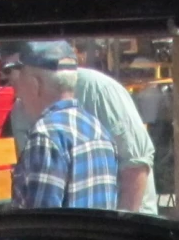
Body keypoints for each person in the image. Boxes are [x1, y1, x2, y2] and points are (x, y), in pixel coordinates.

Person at [7, 41, 119, 212]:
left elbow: (41, 228)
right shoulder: (98, 129)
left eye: (20, 82)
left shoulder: (46, 137)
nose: (18, 93)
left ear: (36, 84)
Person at [67, 54, 158, 213]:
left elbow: (135, 165)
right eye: (134, 73)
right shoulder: (20, 108)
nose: (136, 77)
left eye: (141, 73)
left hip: (121, 226)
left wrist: (122, 229)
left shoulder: (96, 89)